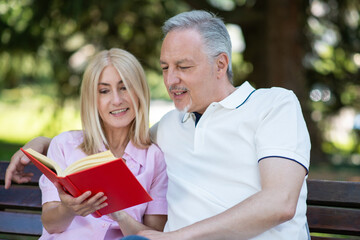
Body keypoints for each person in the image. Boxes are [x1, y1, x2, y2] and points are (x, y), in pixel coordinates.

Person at [5, 10, 310, 240]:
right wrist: (41, 143)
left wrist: (171, 239)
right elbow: (117, 136)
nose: (170, 80)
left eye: (184, 67)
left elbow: (279, 203)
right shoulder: (169, 126)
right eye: (165, 68)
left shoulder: (273, 105)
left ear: (221, 64)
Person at [14, 48, 168, 239]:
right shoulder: (65, 145)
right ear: (92, 99)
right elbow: (51, 225)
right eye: (104, 91)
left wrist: (119, 213)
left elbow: (154, 236)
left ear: (140, 92)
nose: (117, 100)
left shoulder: (154, 158)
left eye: (125, 87)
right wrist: (69, 209)